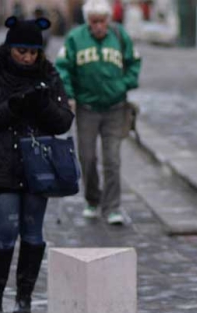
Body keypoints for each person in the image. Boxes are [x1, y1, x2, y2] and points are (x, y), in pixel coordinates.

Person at [0, 16, 74, 313]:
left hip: (39, 167)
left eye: (33, 52)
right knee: (5, 231)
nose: (27, 58)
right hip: (2, 165)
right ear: (10, 48)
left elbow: (64, 120)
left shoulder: (49, 76)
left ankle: (24, 298)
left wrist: (42, 106)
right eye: (21, 51)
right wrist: (11, 107)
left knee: (32, 233)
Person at [55, 0, 141, 225]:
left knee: (112, 159)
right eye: (94, 22)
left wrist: (125, 84)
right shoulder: (75, 38)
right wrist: (70, 95)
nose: (99, 26)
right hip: (87, 108)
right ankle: (92, 199)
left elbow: (134, 62)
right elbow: (63, 67)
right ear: (88, 22)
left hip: (115, 108)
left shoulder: (120, 36)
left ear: (108, 20)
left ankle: (112, 207)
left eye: (103, 21)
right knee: (88, 157)